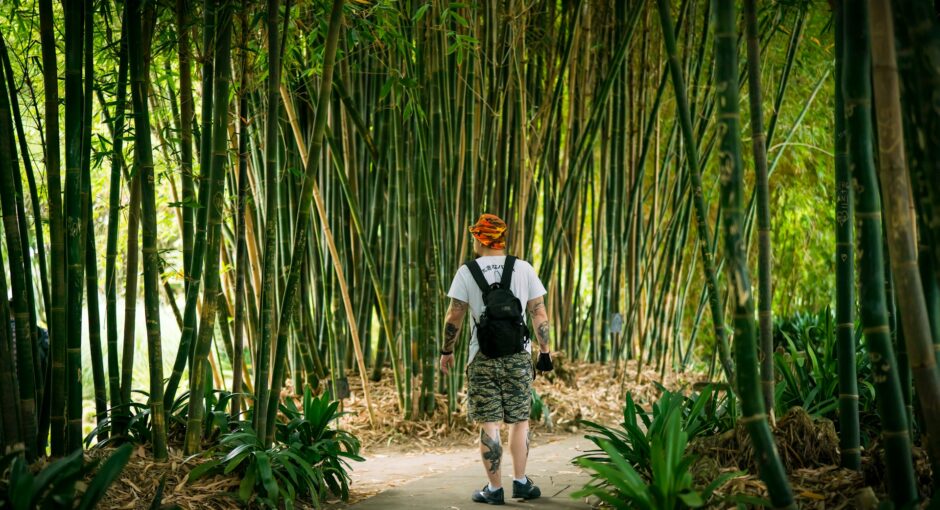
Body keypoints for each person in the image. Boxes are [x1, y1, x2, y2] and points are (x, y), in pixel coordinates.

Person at [440, 213, 554, 505]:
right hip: (518, 356)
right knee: (520, 421)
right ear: (502, 239)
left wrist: (447, 350)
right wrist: (544, 352)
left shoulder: (467, 271)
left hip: (482, 357)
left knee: (489, 423)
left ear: (480, 239)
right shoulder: (523, 268)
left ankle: (494, 489)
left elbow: (455, 315)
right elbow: (538, 313)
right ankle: (520, 482)